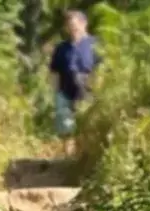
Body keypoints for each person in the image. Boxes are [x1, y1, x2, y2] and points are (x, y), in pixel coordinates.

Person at [48, 10, 99, 156]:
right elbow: (54, 71)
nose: (72, 29)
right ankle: (68, 157)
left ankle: (83, 157)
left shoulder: (94, 44)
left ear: (84, 24)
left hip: (88, 90)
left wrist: (96, 87)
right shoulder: (61, 48)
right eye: (70, 26)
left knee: (86, 124)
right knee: (66, 126)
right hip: (65, 89)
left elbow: (101, 68)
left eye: (75, 25)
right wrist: (56, 92)